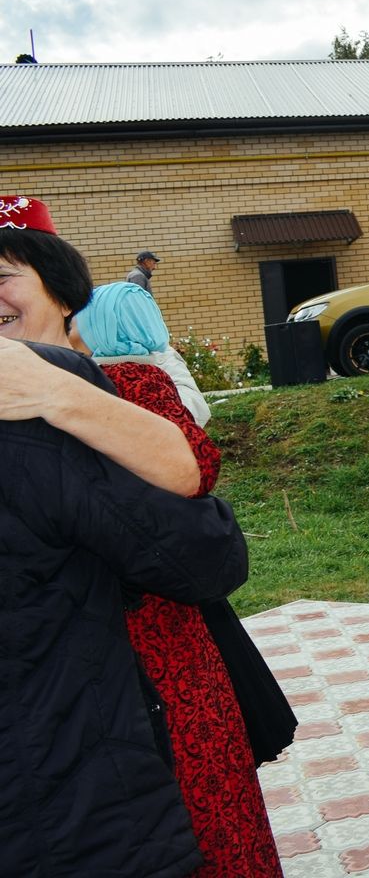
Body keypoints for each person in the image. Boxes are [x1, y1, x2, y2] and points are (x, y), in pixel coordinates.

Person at [0, 204, 284, 875]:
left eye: (5, 277)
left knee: (204, 838)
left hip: (162, 667)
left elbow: (193, 493)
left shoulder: (131, 384)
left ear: (62, 289)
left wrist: (59, 394)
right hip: (53, 698)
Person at [1, 340, 249, 877]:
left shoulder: (103, 381)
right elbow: (205, 552)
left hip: (139, 682)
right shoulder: (37, 392)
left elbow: (194, 470)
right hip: (65, 776)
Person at [74, 280, 211, 425]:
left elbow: (193, 409)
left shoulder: (161, 360)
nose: (69, 333)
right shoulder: (80, 367)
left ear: (103, 331)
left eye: (75, 324)